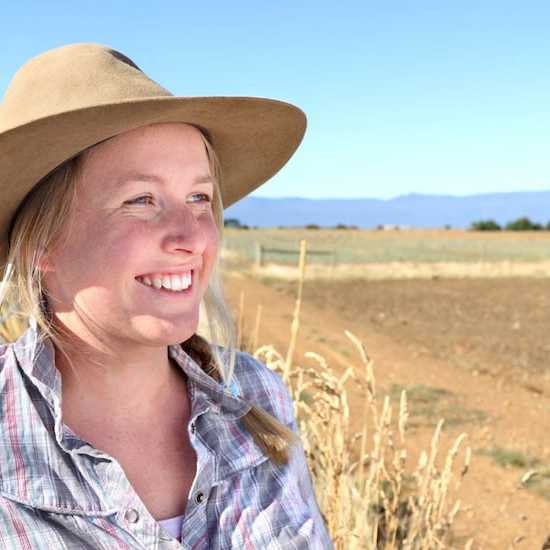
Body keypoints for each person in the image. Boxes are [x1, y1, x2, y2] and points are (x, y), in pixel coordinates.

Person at [0, 43, 333, 549]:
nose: (192, 236)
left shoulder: (255, 396)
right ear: (42, 245)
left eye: (199, 197)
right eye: (141, 200)